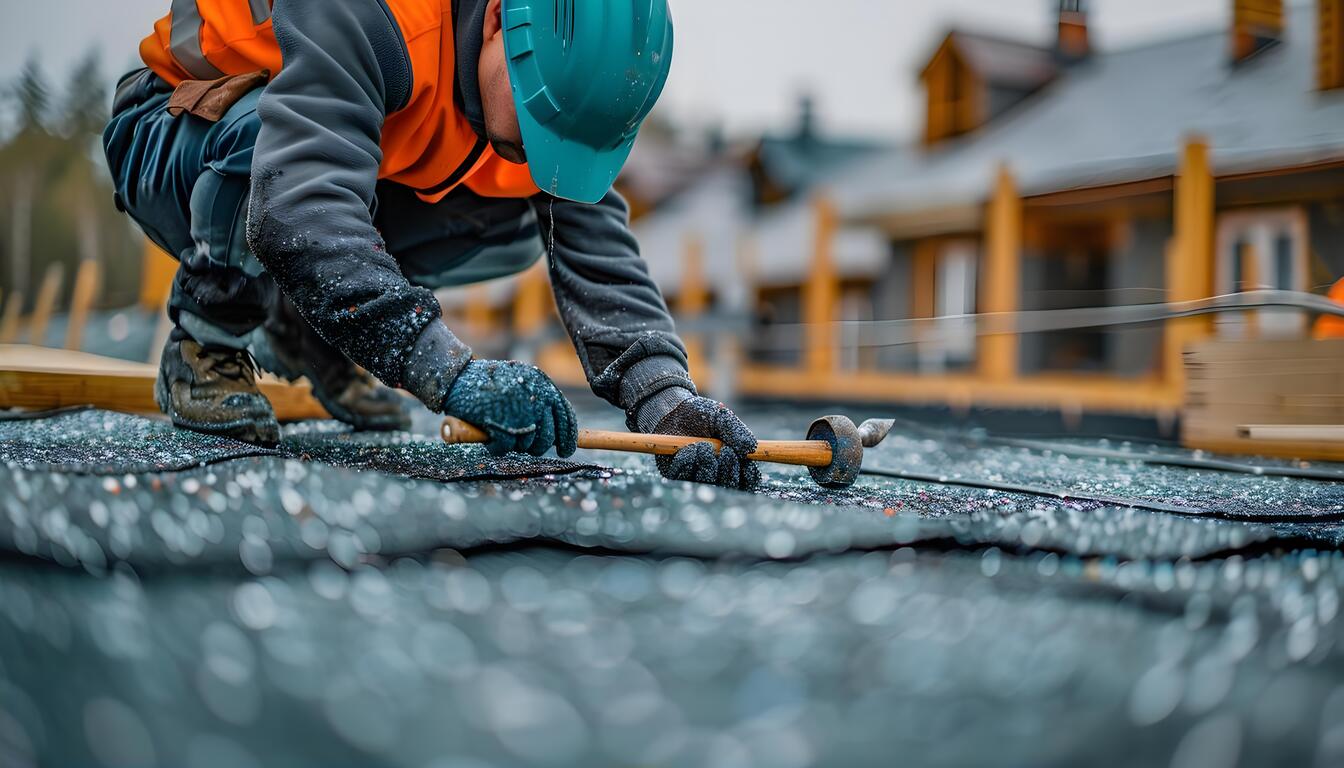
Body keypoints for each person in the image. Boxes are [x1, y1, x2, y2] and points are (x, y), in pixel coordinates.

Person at [103, 0, 761, 490]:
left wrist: (664, 398)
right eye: (540, 123)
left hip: (317, 164)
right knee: (268, 147)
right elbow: (302, 205)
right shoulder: (383, 13)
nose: (541, 149)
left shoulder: (540, 73)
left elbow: (597, 247)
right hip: (180, 133)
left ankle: (310, 331)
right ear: (503, 18)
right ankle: (206, 339)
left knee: (510, 224)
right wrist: (445, 371)